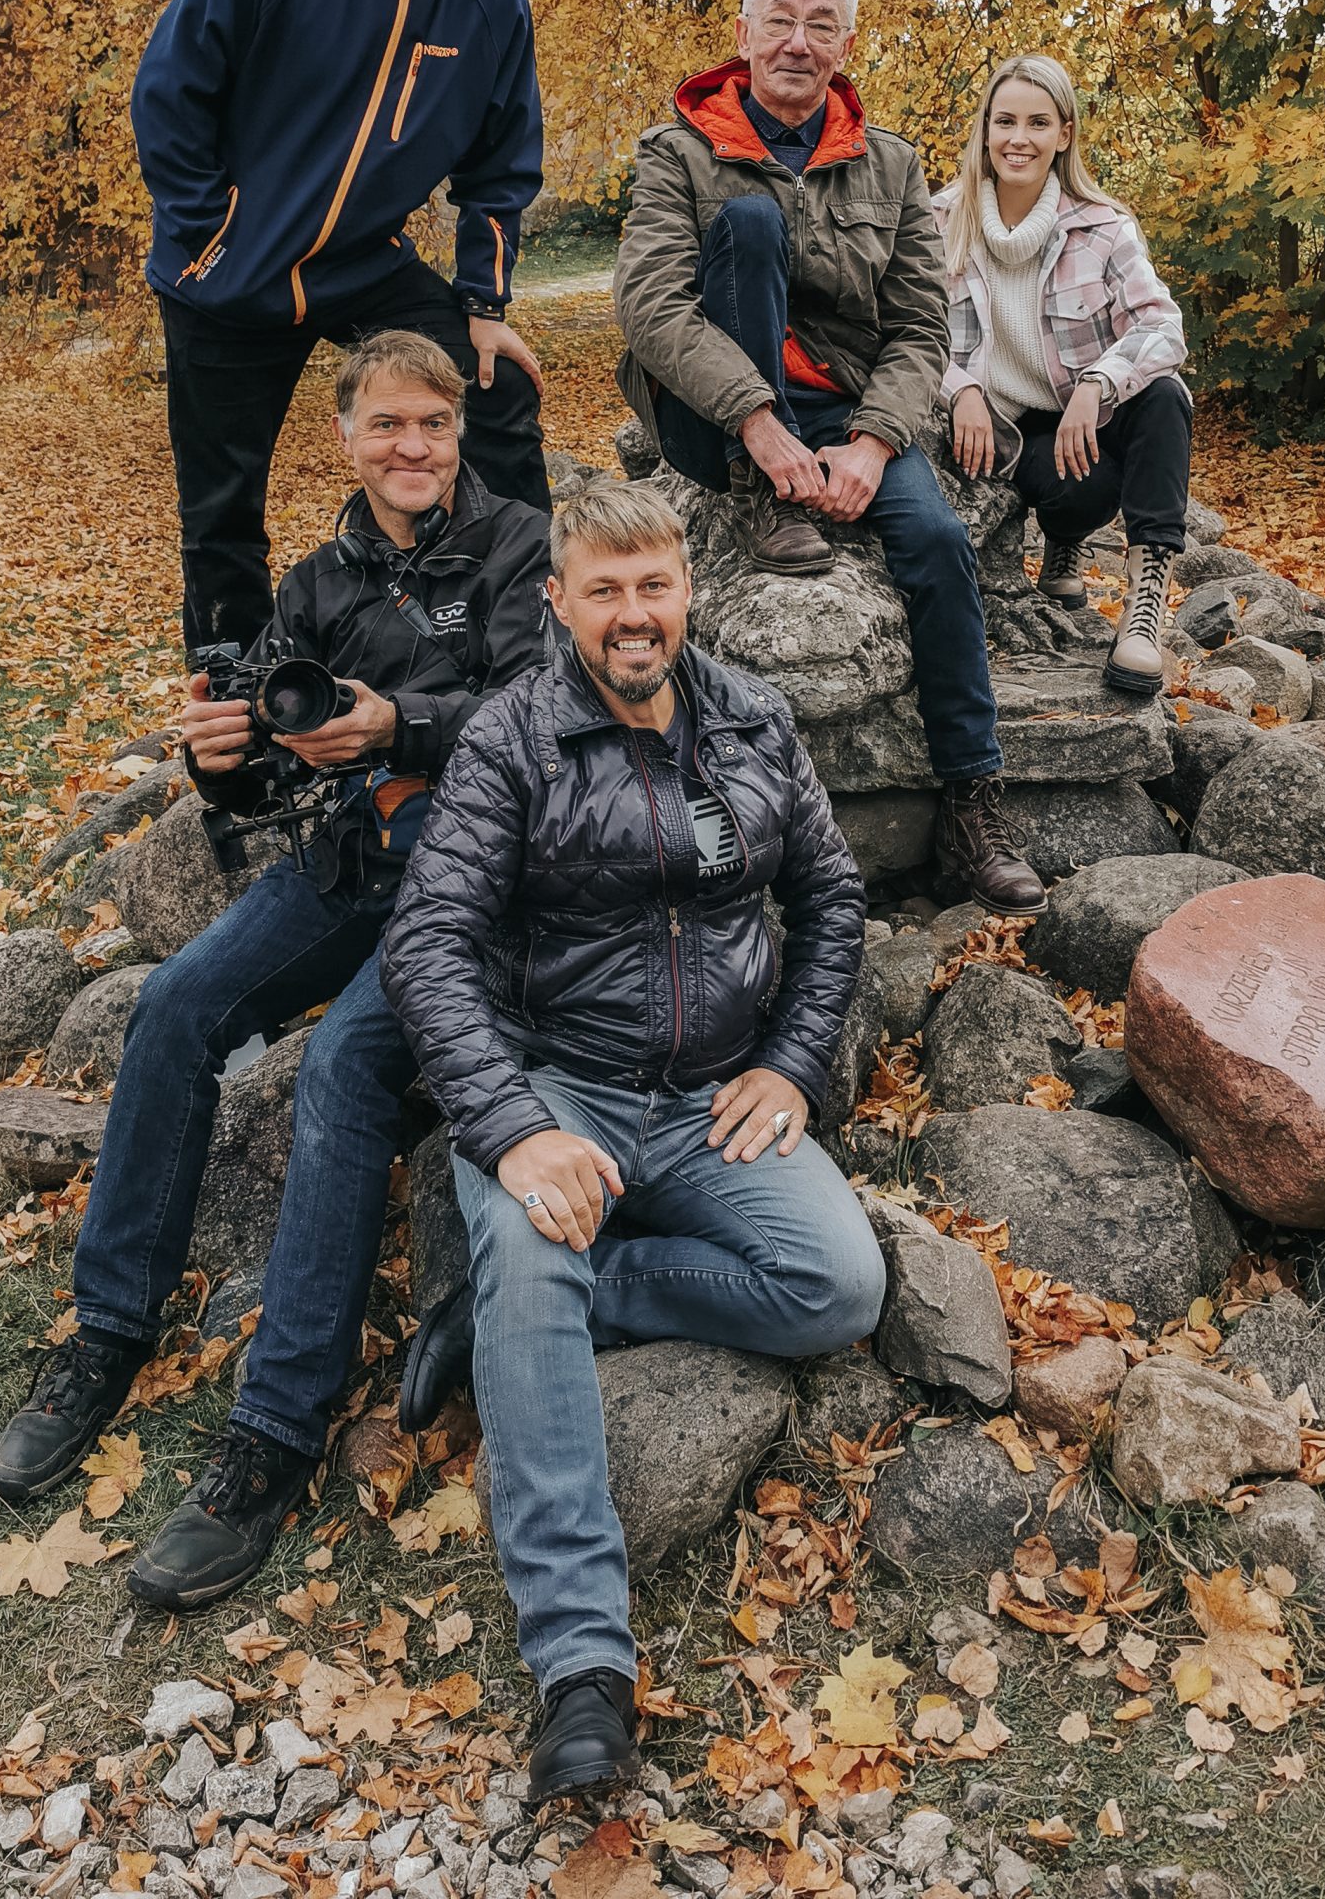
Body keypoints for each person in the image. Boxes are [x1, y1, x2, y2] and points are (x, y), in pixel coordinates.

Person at [0, 332, 552, 1611]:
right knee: (176, 1002)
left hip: (471, 877)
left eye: (436, 425)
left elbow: (540, 715)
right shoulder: (315, 580)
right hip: (346, 863)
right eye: (389, 425)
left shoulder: (518, 545)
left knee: (348, 1059)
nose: (415, 448)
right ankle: (108, 1334)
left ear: (460, 433)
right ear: (344, 436)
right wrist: (221, 750)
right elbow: (269, 776)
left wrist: (401, 723)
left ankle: (275, 1432)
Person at [379, 482, 885, 1802]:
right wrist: (511, 1130)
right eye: (602, 589)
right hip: (568, 1091)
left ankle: (519, 1311)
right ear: (558, 600)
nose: (632, 614)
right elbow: (426, 948)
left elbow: (832, 894)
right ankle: (583, 1672)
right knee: (536, 1251)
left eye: (652, 584)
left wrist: (793, 1063)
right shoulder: (511, 740)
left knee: (840, 1283)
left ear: (688, 588)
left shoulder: (755, 720)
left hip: (720, 1097)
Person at [612, 0, 1045, 914]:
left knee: (936, 541)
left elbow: (920, 325)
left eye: (820, 26)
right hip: (712, 410)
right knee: (753, 227)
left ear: (847, 43)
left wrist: (877, 440)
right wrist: (757, 428)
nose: (797, 43)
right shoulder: (676, 152)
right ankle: (760, 494)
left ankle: (974, 807)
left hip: (845, 406)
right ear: (744, 33)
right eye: (780, 21)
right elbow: (650, 306)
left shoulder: (890, 166)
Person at [133, 0, 552, 657]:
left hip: (362, 264)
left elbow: (502, 166)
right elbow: (170, 93)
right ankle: (241, 709)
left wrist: (484, 305)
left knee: (495, 387)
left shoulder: (492, 5)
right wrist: (211, 231)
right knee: (221, 509)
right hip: (225, 275)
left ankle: (523, 629)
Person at [936, 54, 1190, 696]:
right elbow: (901, 329)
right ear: (985, 129)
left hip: (1085, 416)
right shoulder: (940, 223)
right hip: (1002, 434)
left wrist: (1097, 383)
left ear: (1065, 134)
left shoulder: (1103, 227)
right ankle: (1065, 532)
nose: (1018, 139)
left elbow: (1162, 326)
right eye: (1005, 122)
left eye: (1038, 123)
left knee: (1163, 395)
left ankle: (1144, 608)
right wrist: (960, 387)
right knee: (1070, 487)